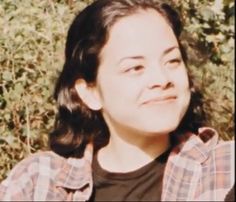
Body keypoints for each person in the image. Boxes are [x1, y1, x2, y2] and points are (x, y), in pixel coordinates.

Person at [0, 0, 234, 201]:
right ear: (90, 92)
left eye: (172, 61)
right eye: (135, 68)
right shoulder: (39, 182)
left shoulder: (223, 171)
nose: (162, 79)